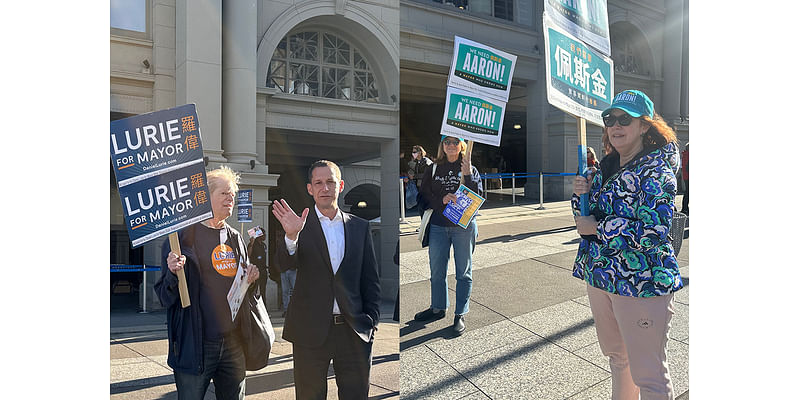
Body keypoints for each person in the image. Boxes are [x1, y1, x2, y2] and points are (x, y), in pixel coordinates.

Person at [572, 89, 683, 400]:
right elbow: (584, 221)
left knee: (648, 374)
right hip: (601, 275)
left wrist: (600, 227)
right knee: (618, 360)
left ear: (644, 126)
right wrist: (580, 193)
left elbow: (656, 230)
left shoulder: (656, 171)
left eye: (625, 119)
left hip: (642, 283)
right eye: (610, 119)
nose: (615, 125)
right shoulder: (603, 168)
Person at [271, 160, 381, 400]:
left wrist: (371, 321)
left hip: (354, 330)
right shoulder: (299, 226)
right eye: (318, 183)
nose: (325, 188)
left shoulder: (360, 227)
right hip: (310, 331)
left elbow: (370, 279)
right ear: (310, 188)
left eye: (330, 182)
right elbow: (283, 265)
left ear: (340, 185)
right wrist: (291, 237)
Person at [155, 166, 261, 400]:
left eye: (232, 193)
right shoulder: (181, 239)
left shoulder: (235, 238)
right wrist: (173, 273)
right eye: (224, 193)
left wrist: (251, 281)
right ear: (204, 197)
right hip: (195, 345)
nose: (230, 198)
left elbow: (244, 293)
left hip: (234, 344)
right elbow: (164, 297)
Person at [413, 136, 482, 336]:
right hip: (438, 226)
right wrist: (441, 200)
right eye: (446, 142)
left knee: (464, 271)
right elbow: (423, 195)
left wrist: (468, 174)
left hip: (463, 227)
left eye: (455, 142)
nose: (451, 145)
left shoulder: (470, 167)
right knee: (437, 270)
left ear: (462, 145)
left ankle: (460, 313)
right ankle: (438, 307)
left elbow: (477, 196)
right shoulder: (433, 169)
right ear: (442, 146)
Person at [248, 228, 268, 310]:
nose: (265, 236)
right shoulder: (252, 245)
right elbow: (248, 255)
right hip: (255, 271)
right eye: (263, 234)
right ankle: (254, 308)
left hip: (263, 271)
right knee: (254, 291)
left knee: (263, 291)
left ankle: (264, 309)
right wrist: (252, 243)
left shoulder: (263, 245)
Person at [680, 142, 688, 215]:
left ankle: (685, 208)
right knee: (688, 193)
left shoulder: (684, 155)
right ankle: (685, 208)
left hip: (686, 176)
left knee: (687, 193)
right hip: (689, 176)